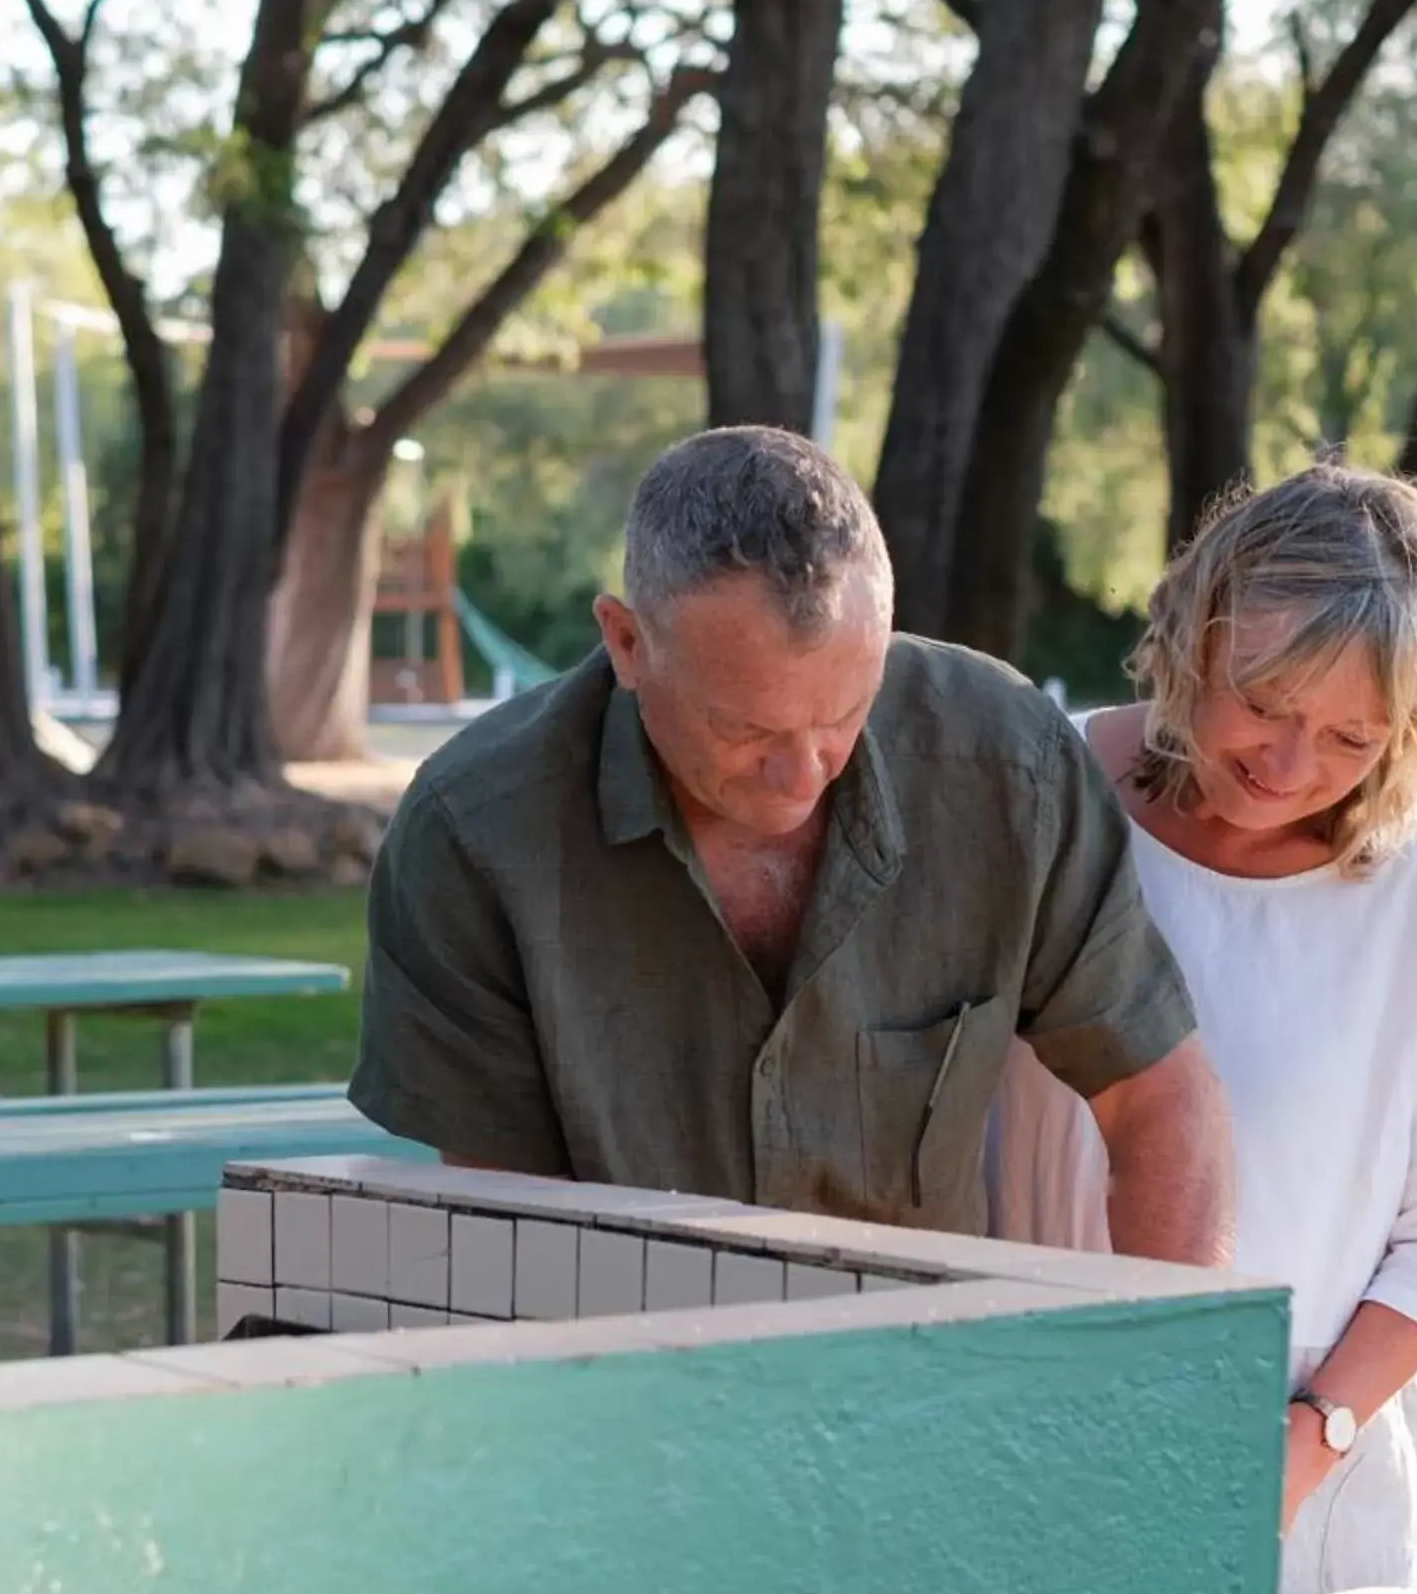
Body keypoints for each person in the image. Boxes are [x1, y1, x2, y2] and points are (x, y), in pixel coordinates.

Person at [350, 425, 1234, 1260]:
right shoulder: (474, 833)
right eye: (745, 730)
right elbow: (510, 1228)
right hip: (618, 1373)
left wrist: (1182, 1378)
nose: (801, 773)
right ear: (626, 642)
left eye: (844, 714)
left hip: (923, 1377)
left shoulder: (1010, 766)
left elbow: (1158, 1101)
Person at [988, 462, 1417, 1594]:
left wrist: (1302, 1445)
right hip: (1027, 1420)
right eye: (1266, 705)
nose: (1289, 767)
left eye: (1351, 737)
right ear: (1197, 631)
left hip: (1305, 1472)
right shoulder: (1050, 794)